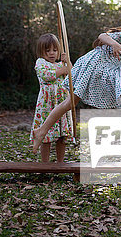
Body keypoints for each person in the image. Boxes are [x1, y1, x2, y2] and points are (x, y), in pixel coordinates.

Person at [32, 6, 121, 154]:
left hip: (105, 67)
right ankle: (41, 130)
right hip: (94, 66)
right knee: (70, 102)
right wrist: (114, 44)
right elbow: (102, 36)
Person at [30, 33, 75, 163]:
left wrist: (68, 62)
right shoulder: (41, 62)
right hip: (47, 104)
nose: (51, 53)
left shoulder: (61, 64)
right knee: (46, 135)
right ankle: (45, 163)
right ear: (41, 51)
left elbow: (72, 76)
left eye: (55, 50)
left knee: (62, 135)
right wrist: (63, 69)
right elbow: (46, 76)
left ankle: (60, 163)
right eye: (47, 50)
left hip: (61, 103)